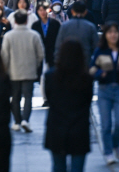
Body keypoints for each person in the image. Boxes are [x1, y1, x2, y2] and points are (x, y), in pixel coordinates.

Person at [44, 40, 94, 172]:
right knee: (78, 168)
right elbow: (88, 100)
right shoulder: (86, 78)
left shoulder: (50, 76)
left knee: (58, 167)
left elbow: (49, 99)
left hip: (57, 127)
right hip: (79, 127)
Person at [90, 23, 119, 165]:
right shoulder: (100, 51)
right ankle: (109, 152)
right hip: (105, 91)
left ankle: (115, 144)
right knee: (106, 125)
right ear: (105, 35)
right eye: (110, 32)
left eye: (115, 32)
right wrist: (99, 73)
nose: (113, 35)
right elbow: (91, 69)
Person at [1, 9, 45, 133]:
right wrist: (35, 64)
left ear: (14, 21)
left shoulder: (8, 36)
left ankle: (17, 121)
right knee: (28, 97)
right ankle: (25, 119)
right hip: (30, 70)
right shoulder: (34, 35)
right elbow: (41, 54)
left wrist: (6, 69)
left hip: (13, 71)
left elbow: (4, 55)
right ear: (26, 20)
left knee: (15, 97)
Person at [32, 3, 61, 104]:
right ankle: (45, 98)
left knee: (54, 76)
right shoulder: (35, 25)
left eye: (44, 10)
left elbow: (59, 39)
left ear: (48, 10)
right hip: (40, 54)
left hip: (53, 54)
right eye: (40, 10)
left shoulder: (55, 24)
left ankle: (54, 96)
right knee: (42, 78)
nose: (42, 12)